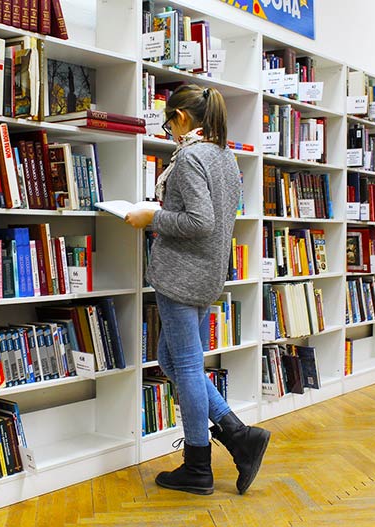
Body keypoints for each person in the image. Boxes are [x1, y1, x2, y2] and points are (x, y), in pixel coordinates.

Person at [125, 85, 271, 496]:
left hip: (181, 275)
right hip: (207, 274)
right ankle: (238, 434)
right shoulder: (224, 156)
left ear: (183, 119)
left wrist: (151, 217)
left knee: (185, 366)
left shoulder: (189, 157)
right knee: (169, 359)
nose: (168, 130)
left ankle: (198, 465)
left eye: (168, 122)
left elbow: (199, 221)